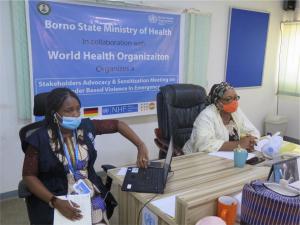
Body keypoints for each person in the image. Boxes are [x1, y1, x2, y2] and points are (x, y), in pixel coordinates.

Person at [22, 87, 149, 224]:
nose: (76, 114)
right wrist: (55, 201)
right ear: (54, 113)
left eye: (78, 109)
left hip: (88, 191)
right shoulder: (38, 139)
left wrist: (140, 145)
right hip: (56, 194)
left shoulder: (86, 127)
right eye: (69, 110)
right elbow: (29, 176)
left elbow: (118, 125)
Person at [183, 82, 259, 154]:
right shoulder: (206, 115)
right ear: (218, 102)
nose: (234, 102)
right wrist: (239, 144)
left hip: (225, 157)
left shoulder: (236, 111)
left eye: (236, 98)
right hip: (194, 157)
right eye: (229, 99)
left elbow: (253, 131)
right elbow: (204, 145)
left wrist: (251, 141)